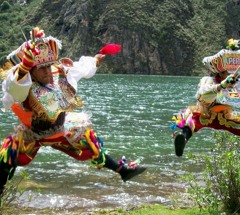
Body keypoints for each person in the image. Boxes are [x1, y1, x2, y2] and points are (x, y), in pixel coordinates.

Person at [0, 27, 146, 196]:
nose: (47, 71)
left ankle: (122, 170)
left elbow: (80, 68)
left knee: (91, 142)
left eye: (48, 66)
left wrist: (95, 60)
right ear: (31, 70)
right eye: (42, 68)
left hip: (61, 128)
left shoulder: (58, 72)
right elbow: (14, 87)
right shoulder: (23, 82)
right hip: (33, 132)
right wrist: (24, 66)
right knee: (8, 153)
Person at [171, 38, 240, 156]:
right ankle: (183, 138)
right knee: (190, 120)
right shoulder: (208, 80)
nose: (229, 73)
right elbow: (203, 96)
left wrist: (230, 85)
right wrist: (222, 85)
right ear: (219, 72)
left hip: (225, 117)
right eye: (226, 71)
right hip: (205, 115)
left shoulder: (235, 82)